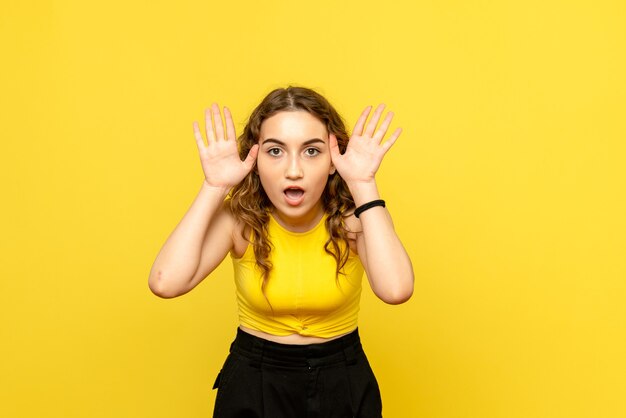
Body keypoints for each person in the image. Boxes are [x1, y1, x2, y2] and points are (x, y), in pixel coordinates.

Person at [148, 86, 414, 417]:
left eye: (312, 151)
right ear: (254, 160)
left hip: (341, 380)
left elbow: (396, 290)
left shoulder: (356, 219)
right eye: (275, 151)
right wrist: (214, 187)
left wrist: (363, 186)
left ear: (334, 161)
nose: (293, 170)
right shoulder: (239, 220)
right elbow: (165, 282)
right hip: (255, 380)